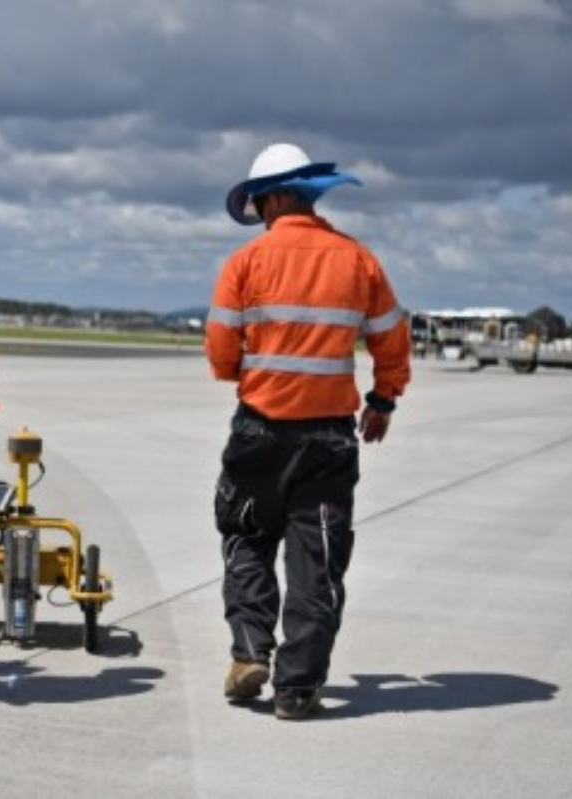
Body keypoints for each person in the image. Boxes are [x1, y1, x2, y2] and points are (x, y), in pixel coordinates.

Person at [205, 142, 411, 720]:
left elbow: (222, 355)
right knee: (316, 559)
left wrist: (255, 370)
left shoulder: (245, 263)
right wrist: (383, 400)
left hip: (259, 432)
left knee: (246, 535)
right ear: (308, 195)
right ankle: (296, 690)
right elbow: (392, 341)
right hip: (328, 440)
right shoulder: (357, 260)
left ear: (271, 198)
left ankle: (249, 651)